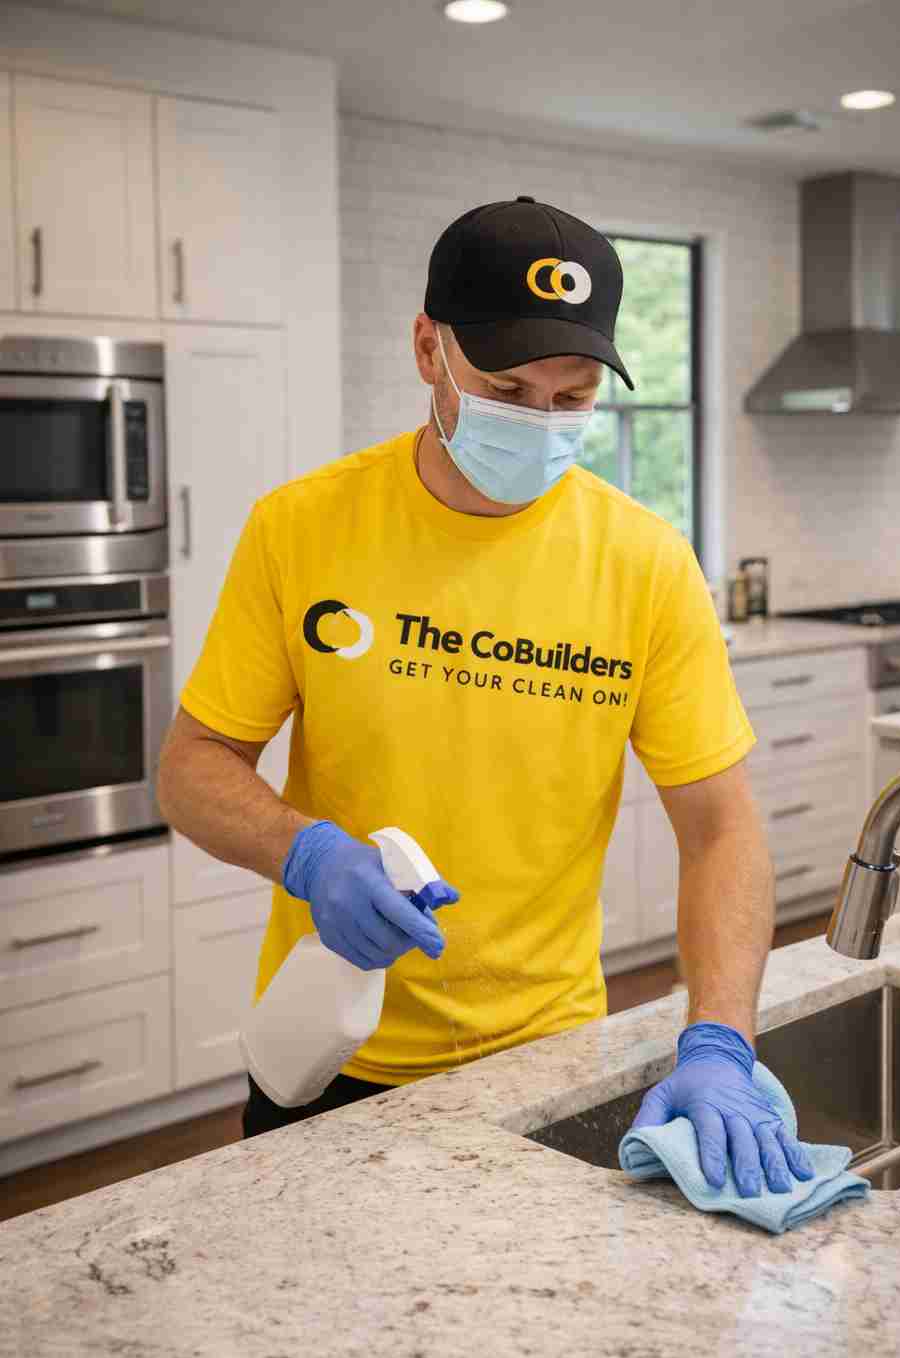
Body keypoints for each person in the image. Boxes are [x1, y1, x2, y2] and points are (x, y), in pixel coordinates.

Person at [157, 196, 814, 1198]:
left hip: (546, 1061)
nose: (539, 424)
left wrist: (719, 1038)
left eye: (572, 398)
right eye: (505, 387)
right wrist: (307, 855)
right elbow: (192, 767)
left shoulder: (643, 562)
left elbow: (721, 831)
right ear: (428, 349)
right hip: (333, 1053)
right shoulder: (300, 528)